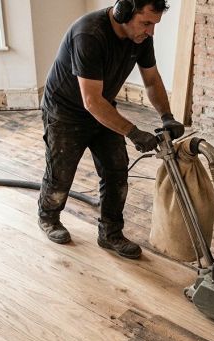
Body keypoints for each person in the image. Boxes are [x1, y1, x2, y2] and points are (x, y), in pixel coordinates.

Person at [38, 0, 184, 259]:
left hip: (102, 108)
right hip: (65, 113)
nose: (150, 32)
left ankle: (110, 232)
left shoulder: (141, 38)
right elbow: (91, 101)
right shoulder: (89, 34)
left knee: (116, 169)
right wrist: (133, 132)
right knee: (61, 173)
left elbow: (151, 80)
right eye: (146, 23)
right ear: (123, 11)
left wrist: (167, 116)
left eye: (154, 24)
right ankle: (48, 217)